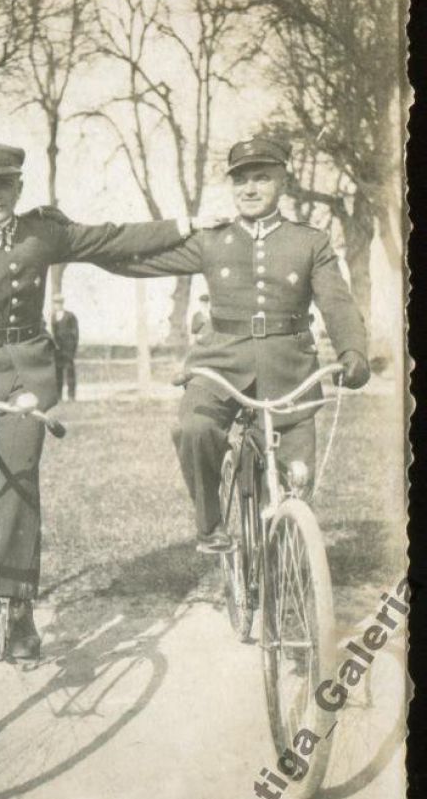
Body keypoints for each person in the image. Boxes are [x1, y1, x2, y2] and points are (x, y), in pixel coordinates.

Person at [0, 139, 213, 658]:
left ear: (19, 187)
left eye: (4, 184)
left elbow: (112, 238)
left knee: (17, 473)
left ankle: (16, 607)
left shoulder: (43, 232)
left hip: (25, 373)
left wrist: (185, 225)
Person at [105, 136, 370, 553]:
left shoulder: (309, 241)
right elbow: (135, 261)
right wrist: (80, 244)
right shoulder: (212, 239)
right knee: (193, 428)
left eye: (261, 178)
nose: (249, 189)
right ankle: (210, 523)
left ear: (284, 182)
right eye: (240, 180)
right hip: (218, 363)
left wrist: (352, 351)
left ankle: (286, 566)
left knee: (294, 483)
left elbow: (336, 301)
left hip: (288, 368)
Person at [51, 294, 79, 400]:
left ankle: (71, 395)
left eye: (59, 303)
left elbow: (75, 333)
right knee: (58, 371)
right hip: (57, 349)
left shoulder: (70, 316)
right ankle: (58, 395)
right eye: (55, 303)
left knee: (69, 371)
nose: (57, 305)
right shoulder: (53, 317)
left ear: (62, 303)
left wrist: (73, 347)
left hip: (68, 348)